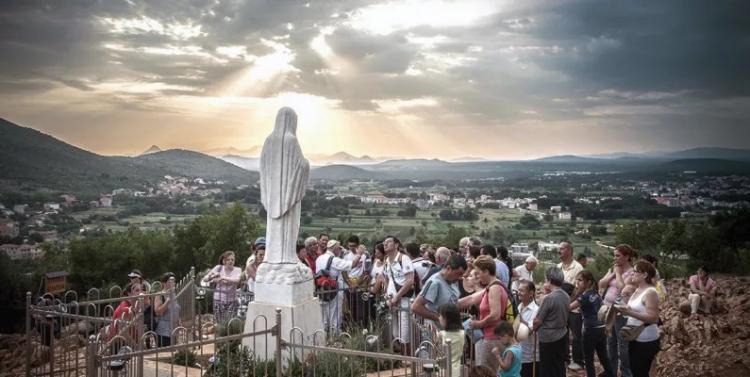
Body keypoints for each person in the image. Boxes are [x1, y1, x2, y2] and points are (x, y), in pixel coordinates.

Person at [458, 255, 508, 372]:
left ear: (486, 271)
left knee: (485, 372)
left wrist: (479, 324)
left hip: (491, 338)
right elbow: (471, 299)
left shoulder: (494, 288)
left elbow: (495, 314)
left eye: (478, 273)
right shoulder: (494, 285)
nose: (478, 276)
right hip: (493, 337)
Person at [598, 244, 636, 377]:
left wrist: (618, 274)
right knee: (611, 343)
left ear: (627, 257)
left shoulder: (632, 272)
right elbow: (601, 284)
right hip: (609, 310)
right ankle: (611, 372)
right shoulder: (614, 269)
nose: (615, 258)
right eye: (614, 255)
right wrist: (613, 273)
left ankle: (626, 373)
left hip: (621, 313)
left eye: (618, 255)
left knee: (623, 345)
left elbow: (623, 289)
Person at [617, 261, 661, 377]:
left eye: (635, 271)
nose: (632, 274)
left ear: (645, 275)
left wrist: (629, 312)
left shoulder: (650, 292)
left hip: (646, 339)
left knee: (640, 372)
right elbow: (637, 310)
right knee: (635, 370)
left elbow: (653, 318)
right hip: (635, 337)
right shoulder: (637, 289)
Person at [570, 271, 613, 377]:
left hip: (590, 330)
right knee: (603, 356)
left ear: (588, 282)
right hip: (601, 328)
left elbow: (569, 307)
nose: (577, 283)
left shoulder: (583, 296)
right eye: (577, 280)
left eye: (580, 280)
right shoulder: (595, 293)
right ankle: (611, 374)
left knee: (588, 359)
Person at [315, 239, 363, 334]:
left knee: (324, 316)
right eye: (339, 249)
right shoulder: (335, 260)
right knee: (335, 315)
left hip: (321, 289)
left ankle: (324, 337)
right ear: (335, 249)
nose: (340, 251)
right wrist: (359, 254)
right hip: (334, 290)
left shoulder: (319, 258)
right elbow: (351, 265)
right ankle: (335, 338)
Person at [411, 254, 467, 329]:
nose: (460, 278)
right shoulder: (435, 282)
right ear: (448, 268)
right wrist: (441, 318)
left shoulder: (452, 281)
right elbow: (416, 307)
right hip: (436, 332)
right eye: (458, 274)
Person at [533, 267, 569, 377]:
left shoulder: (549, 299)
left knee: (546, 369)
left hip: (548, 338)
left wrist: (533, 326)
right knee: (558, 367)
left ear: (549, 280)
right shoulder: (566, 296)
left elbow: (538, 321)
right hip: (562, 335)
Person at [383, 236, 415, 353]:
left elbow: (410, 280)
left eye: (388, 242)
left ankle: (407, 355)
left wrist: (397, 296)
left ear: (396, 245)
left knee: (404, 326)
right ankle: (400, 354)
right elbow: (386, 279)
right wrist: (387, 294)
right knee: (395, 329)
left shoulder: (404, 259)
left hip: (404, 298)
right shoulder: (386, 260)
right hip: (392, 299)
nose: (385, 244)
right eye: (384, 243)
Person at [203, 251, 242, 324]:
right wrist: (212, 276)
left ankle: (229, 335)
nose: (230, 261)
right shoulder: (219, 268)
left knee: (230, 322)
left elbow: (237, 280)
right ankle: (220, 335)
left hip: (232, 300)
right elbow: (205, 279)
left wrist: (223, 278)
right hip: (219, 299)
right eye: (228, 259)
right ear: (224, 261)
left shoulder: (238, 270)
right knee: (219, 322)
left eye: (232, 259)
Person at [342, 235, 368, 327]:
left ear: (358, 245)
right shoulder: (345, 256)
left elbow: (365, 271)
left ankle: (362, 327)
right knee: (351, 308)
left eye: (353, 245)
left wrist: (357, 284)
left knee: (361, 309)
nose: (351, 248)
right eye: (349, 246)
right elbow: (344, 272)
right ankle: (353, 328)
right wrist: (349, 284)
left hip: (360, 286)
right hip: (348, 285)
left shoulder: (364, 255)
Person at [516, 280, 540, 377]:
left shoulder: (536, 310)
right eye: (518, 290)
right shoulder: (518, 306)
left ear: (531, 293)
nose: (519, 293)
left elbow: (529, 331)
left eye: (522, 290)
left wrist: (519, 319)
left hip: (530, 356)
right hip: (518, 354)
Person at [153, 272, 180, 347]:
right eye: (169, 282)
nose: (172, 283)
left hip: (174, 330)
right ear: (164, 283)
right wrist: (167, 301)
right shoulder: (160, 295)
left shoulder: (175, 294)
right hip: (163, 331)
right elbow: (158, 312)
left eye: (173, 281)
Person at [439, 303, 466, 377]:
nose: (439, 318)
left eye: (440, 316)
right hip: (456, 370)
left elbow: (437, 352)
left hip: (443, 370)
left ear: (446, 319)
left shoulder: (441, 334)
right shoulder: (463, 333)